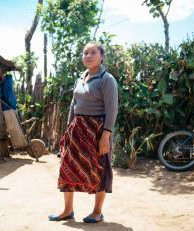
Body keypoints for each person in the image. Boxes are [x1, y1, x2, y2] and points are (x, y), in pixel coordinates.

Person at [48, 41, 119, 223]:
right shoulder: (80, 79)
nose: (87, 56)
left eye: (92, 52)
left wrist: (105, 137)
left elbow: (112, 110)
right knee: (67, 167)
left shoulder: (107, 80)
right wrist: (68, 130)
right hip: (77, 129)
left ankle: (97, 212)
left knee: (99, 169)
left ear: (102, 56)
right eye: (85, 53)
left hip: (97, 131)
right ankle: (67, 210)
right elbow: (74, 105)